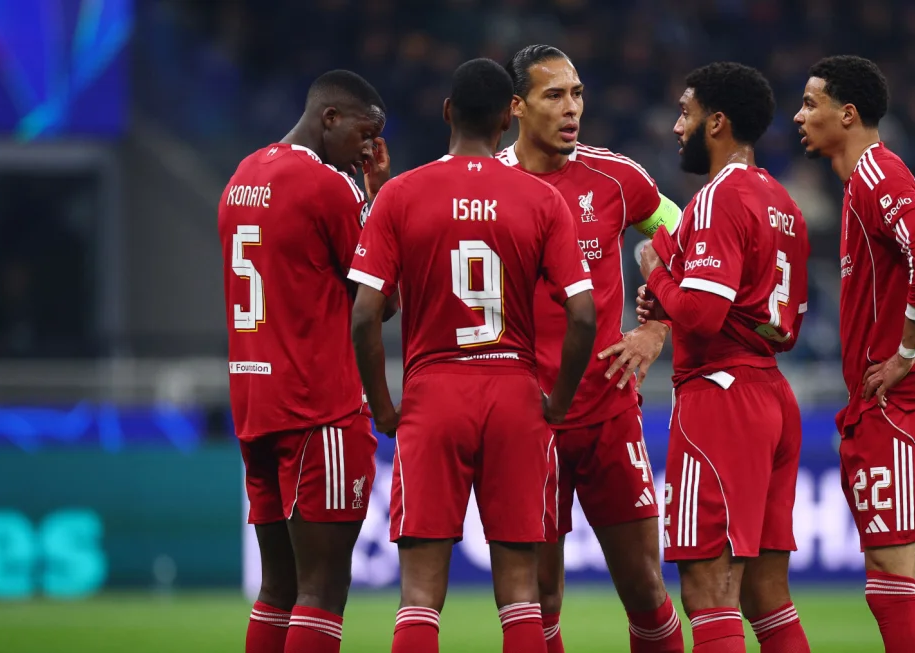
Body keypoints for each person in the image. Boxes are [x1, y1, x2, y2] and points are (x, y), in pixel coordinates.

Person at [348, 58, 597, 653]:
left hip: (433, 394)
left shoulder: (402, 194)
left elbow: (363, 314)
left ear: (447, 113)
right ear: (509, 117)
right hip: (515, 393)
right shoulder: (540, 200)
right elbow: (584, 315)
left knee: (419, 597)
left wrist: (384, 408)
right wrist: (558, 402)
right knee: (520, 596)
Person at [499, 44, 684, 653]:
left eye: (577, 93)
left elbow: (683, 237)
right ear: (517, 106)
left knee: (646, 590)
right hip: (527, 417)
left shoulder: (615, 176)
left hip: (607, 410)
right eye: (554, 95)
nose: (572, 107)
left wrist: (656, 327)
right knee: (540, 600)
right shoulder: (488, 185)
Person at [637, 62, 811, 653]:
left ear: (716, 122)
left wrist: (658, 275)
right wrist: (674, 288)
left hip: (720, 397)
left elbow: (705, 316)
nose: (676, 126)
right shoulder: (783, 202)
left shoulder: (718, 197)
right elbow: (780, 317)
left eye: (685, 113)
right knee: (768, 595)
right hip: (771, 392)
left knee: (709, 592)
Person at [219, 69, 390, 653]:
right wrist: (376, 200)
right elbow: (379, 303)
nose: (369, 149)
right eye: (366, 134)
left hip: (253, 402)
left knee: (278, 589)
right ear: (330, 119)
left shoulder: (243, 175)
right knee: (322, 592)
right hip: (319, 408)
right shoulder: (329, 187)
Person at [794, 55, 915, 653]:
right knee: (892, 585)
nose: (799, 116)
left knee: (891, 581)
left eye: (811, 104)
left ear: (849, 113)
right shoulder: (861, 182)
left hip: (901, 399)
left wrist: (906, 351)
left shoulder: (876, 174)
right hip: (888, 401)